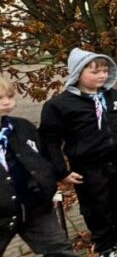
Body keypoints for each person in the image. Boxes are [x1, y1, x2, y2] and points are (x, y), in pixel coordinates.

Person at [40, 48, 117, 257]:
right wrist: (60, 171)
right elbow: (49, 140)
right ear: (77, 72)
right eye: (95, 71)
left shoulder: (115, 96)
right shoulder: (58, 105)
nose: (102, 76)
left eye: (105, 71)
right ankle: (105, 246)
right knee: (97, 206)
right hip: (88, 167)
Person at [0, 77, 76, 256]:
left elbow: (42, 156)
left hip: (35, 207)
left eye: (9, 96)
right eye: (0, 98)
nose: (7, 102)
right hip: (2, 213)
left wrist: (55, 176)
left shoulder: (22, 127)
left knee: (59, 249)